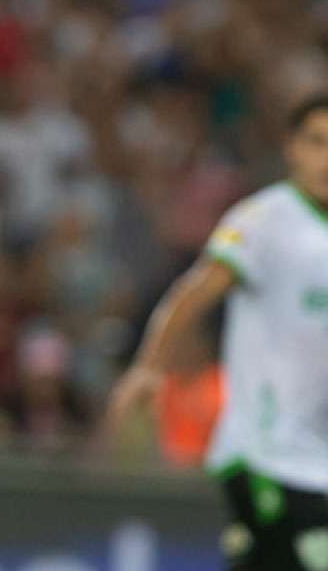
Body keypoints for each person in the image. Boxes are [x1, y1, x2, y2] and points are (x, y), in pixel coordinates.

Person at [109, 93, 328, 571]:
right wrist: (149, 367)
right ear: (291, 147)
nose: (326, 159)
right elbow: (195, 290)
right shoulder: (264, 221)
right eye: (317, 142)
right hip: (264, 453)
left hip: (317, 457)